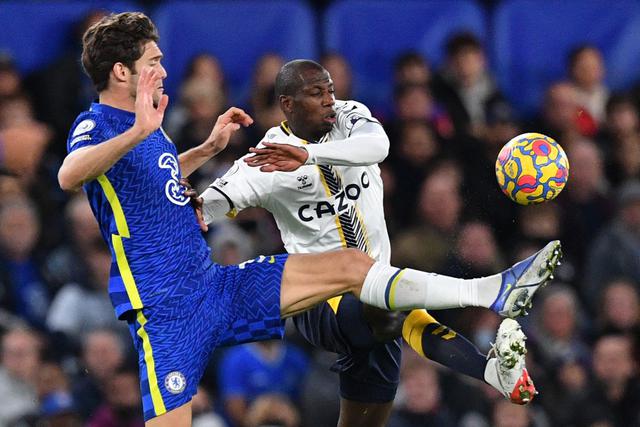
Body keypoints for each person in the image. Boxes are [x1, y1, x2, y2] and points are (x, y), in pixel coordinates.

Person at [57, 13, 559, 426]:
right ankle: (491, 302)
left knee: (353, 267)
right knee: (371, 301)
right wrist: (145, 134)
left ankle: (490, 293)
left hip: (213, 284)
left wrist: (202, 150)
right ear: (122, 72)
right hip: (167, 311)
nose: (163, 70)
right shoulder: (101, 124)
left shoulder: (347, 117)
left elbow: (157, 185)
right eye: (153, 61)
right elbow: (70, 175)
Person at [199, 59, 561, 426]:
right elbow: (208, 207)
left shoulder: (349, 116)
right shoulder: (265, 159)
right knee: (386, 304)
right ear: (287, 104)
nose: (329, 100)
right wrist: (197, 195)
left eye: (330, 90)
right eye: (315, 93)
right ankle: (491, 290)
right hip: (321, 300)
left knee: (369, 406)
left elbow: (379, 146)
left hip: (381, 292)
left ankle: (491, 372)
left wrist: (309, 156)